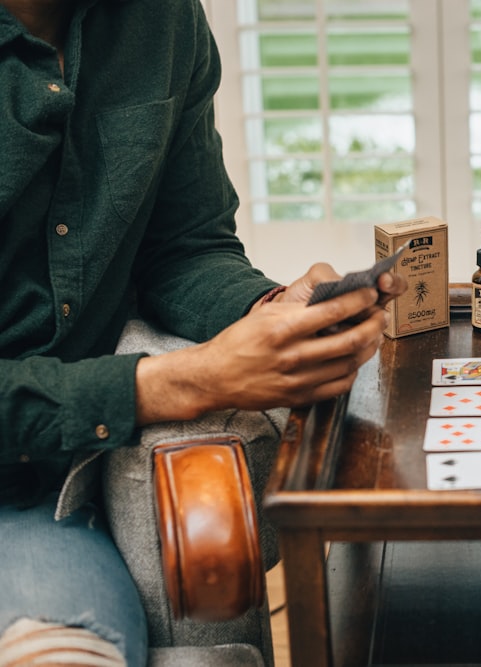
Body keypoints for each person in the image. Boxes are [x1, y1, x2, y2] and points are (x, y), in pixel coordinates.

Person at [0, 0, 406, 665]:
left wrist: (269, 308)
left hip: (61, 489)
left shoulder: (161, 21)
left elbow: (186, 246)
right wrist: (181, 381)